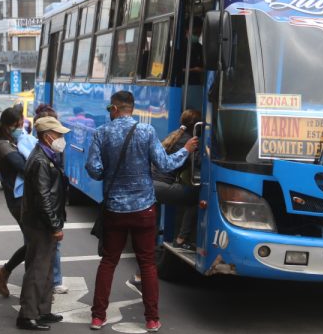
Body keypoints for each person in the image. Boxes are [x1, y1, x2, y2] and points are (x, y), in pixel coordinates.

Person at [85, 91, 198, 332]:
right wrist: (186, 149)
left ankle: (97, 317)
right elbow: (165, 164)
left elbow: (93, 169)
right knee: (147, 263)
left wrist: (110, 173)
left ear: (114, 109)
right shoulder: (146, 131)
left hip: (115, 208)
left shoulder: (102, 133)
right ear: (131, 109)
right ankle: (152, 319)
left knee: (108, 262)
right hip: (144, 209)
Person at [16, 116, 69, 331]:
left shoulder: (48, 155)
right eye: (58, 135)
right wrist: (55, 225)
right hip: (39, 223)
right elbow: (43, 197)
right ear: (47, 137)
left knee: (46, 268)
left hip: (43, 221)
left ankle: (43, 310)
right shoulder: (40, 160)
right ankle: (27, 315)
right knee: (37, 269)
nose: (61, 139)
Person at [0, 107, 27, 298]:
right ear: (15, 123)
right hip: (18, 200)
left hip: (24, 198)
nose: (23, 125)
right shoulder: (3, 145)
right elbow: (23, 167)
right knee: (36, 242)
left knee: (35, 242)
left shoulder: (12, 140)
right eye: (21, 122)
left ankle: (4, 272)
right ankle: (6, 273)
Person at [152, 109, 202, 250]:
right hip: (162, 186)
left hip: (151, 184)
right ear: (196, 126)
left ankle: (147, 262)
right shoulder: (190, 141)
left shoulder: (174, 134)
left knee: (152, 228)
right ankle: (181, 238)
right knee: (198, 196)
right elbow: (199, 162)